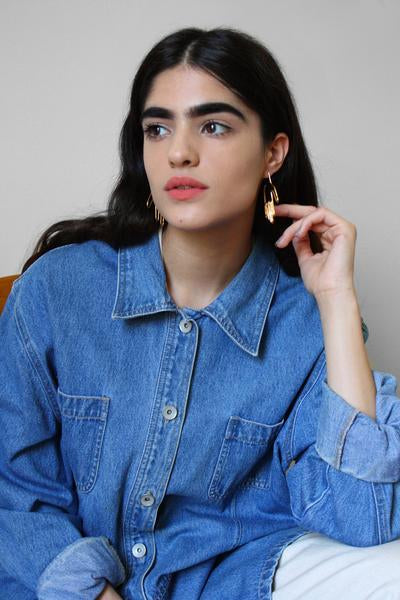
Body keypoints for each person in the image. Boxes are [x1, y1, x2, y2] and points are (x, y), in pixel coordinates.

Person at [0, 26, 399, 600]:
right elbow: (12, 489)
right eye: (157, 128)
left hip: (234, 581)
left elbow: (362, 518)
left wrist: (337, 300)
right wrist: (88, 589)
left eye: (213, 126)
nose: (179, 152)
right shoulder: (59, 289)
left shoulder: (306, 321)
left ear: (273, 154)